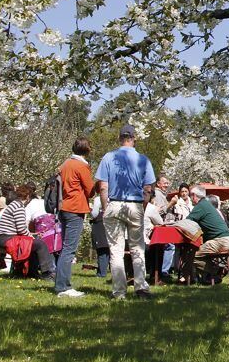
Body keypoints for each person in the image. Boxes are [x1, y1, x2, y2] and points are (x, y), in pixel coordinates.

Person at [95, 124, 155, 300]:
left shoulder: (108, 157)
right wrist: (142, 207)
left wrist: (106, 207)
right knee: (137, 248)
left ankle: (119, 291)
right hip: (135, 204)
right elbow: (148, 188)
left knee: (116, 250)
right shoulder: (143, 160)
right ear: (134, 138)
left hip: (114, 203)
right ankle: (141, 287)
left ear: (119, 138)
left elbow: (103, 186)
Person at [55, 136, 96, 298]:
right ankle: (63, 287)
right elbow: (90, 190)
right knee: (69, 249)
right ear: (88, 150)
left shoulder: (65, 164)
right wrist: (99, 184)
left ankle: (61, 284)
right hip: (75, 209)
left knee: (65, 248)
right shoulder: (81, 166)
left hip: (64, 207)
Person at [186, 185, 229, 282]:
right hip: (226, 240)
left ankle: (217, 272)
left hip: (220, 241)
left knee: (192, 256)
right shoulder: (207, 205)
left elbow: (187, 222)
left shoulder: (200, 206)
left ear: (194, 195)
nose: (190, 199)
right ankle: (212, 274)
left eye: (190, 196)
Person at [89, 196, 110, 278]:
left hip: (100, 224)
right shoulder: (113, 197)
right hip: (110, 223)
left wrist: (90, 209)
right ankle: (102, 271)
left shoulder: (98, 199)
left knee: (101, 250)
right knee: (107, 250)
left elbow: (94, 214)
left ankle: (101, 273)